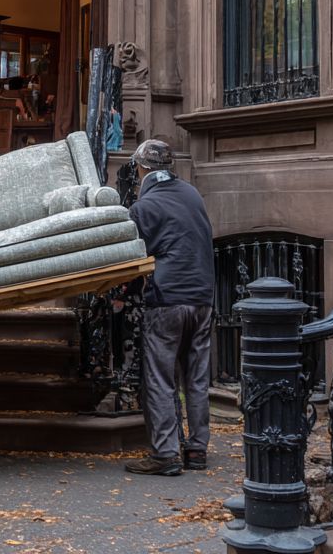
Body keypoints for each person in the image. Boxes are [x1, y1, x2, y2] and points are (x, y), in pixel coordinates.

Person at [122, 139, 215, 477]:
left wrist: (123, 292)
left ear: (141, 168)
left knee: (160, 378)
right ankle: (197, 449)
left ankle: (165, 453)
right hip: (202, 297)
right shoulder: (192, 195)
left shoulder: (144, 206)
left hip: (167, 299)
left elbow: (135, 257)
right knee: (197, 377)